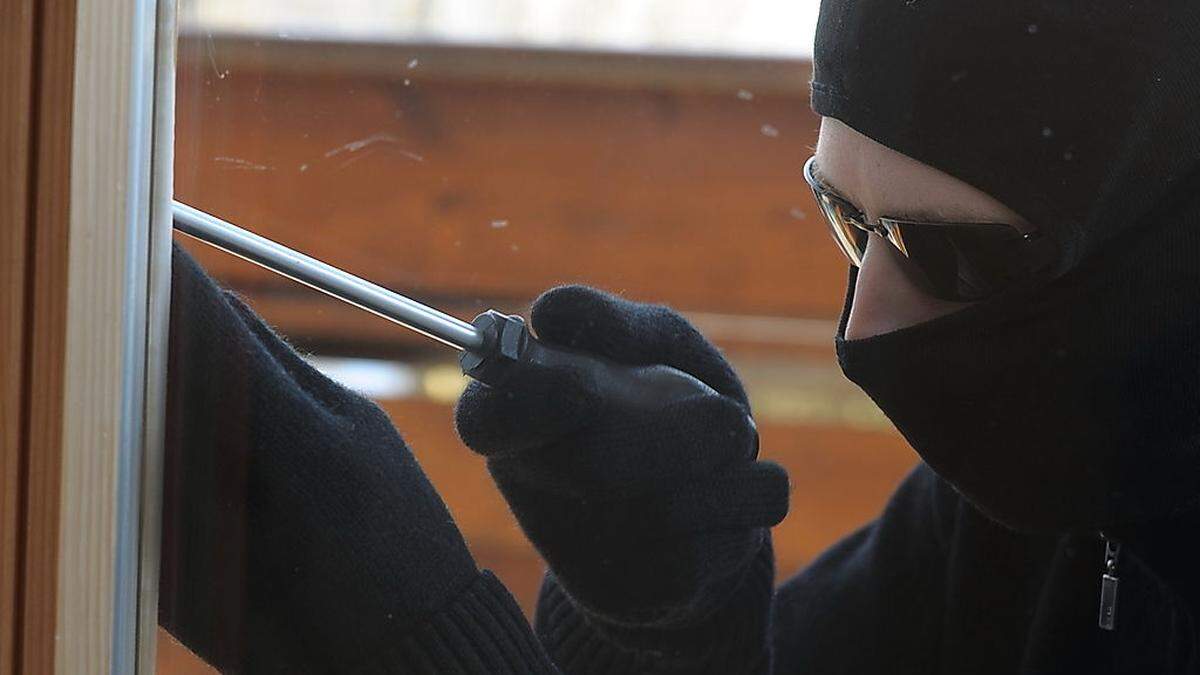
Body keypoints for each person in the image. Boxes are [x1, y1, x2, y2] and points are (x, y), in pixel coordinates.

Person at [161, 2, 1200, 674]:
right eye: (849, 223)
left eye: (956, 257)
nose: (864, 324)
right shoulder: (1037, 516)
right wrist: (666, 625)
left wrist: (403, 641)